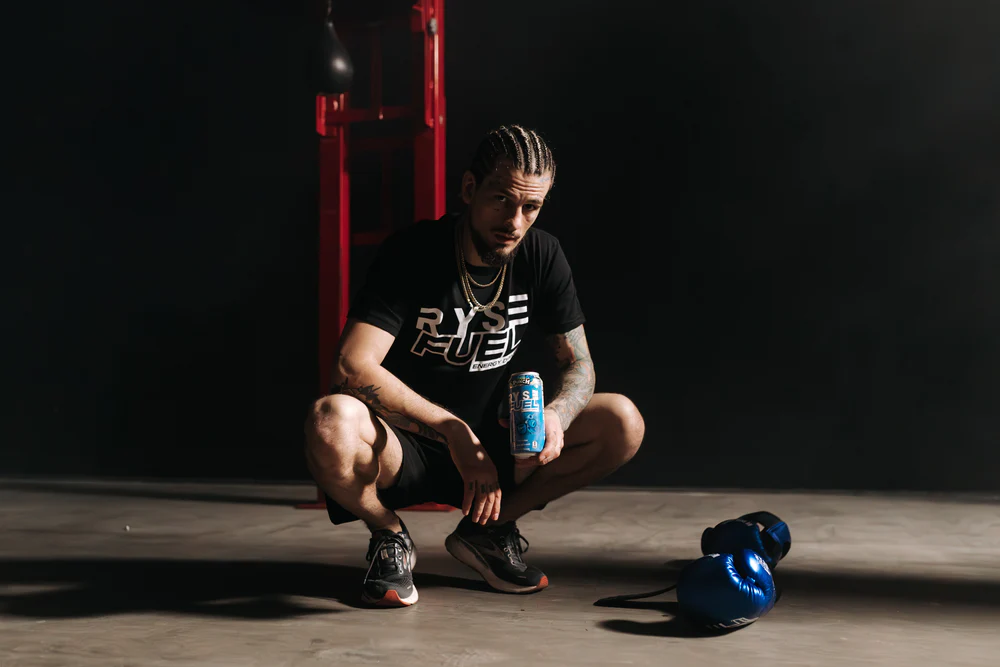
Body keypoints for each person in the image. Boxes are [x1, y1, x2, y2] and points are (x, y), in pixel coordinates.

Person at [303, 125, 645, 607]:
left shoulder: (542, 255)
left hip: (499, 443)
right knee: (330, 420)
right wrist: (453, 431)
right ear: (469, 189)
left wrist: (558, 416)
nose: (516, 221)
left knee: (621, 421)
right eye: (502, 200)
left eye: (532, 207)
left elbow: (581, 366)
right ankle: (388, 533)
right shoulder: (414, 251)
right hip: (406, 443)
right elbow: (352, 364)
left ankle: (488, 531)